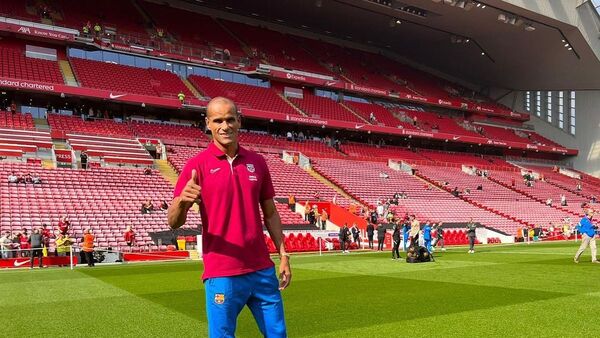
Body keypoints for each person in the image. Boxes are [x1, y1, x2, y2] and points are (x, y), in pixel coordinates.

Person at [167, 97, 289, 337]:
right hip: (222, 271)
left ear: (239, 121)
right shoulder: (196, 166)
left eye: (230, 119)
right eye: (218, 120)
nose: (225, 126)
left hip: (262, 269)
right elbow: (173, 222)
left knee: (278, 335)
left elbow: (271, 214)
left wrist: (283, 255)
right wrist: (182, 201)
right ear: (208, 124)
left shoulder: (258, 162)